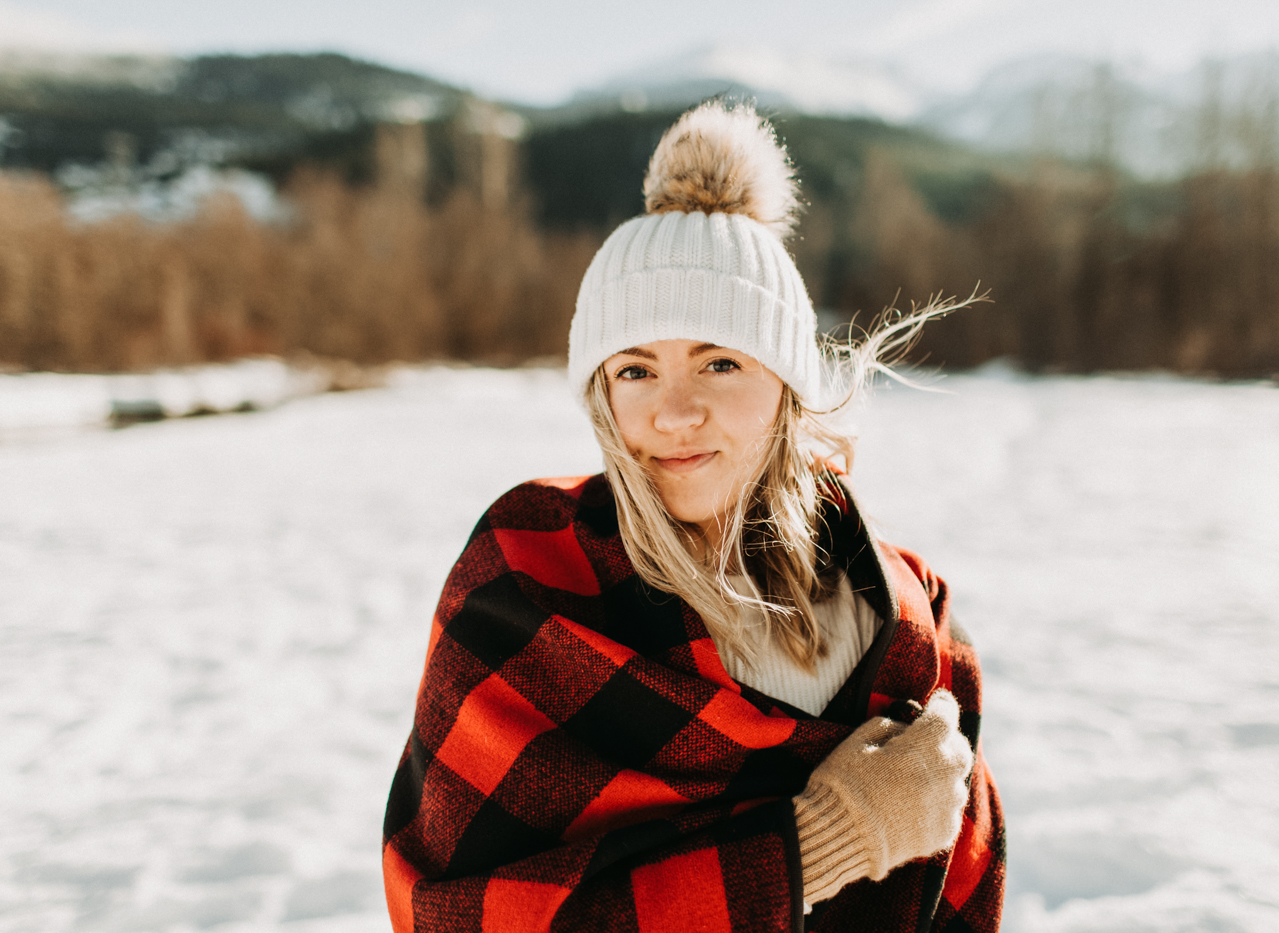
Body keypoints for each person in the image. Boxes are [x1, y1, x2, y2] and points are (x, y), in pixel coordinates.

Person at [382, 101, 1005, 933]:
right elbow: (458, 917)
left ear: (785, 385)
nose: (676, 414)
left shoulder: (899, 611)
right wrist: (829, 839)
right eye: (636, 371)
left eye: (719, 360)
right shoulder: (526, 583)